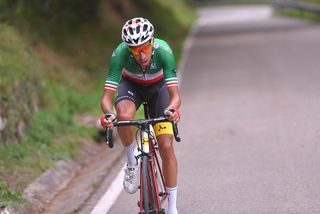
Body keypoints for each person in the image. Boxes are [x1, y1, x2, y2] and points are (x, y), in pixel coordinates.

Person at [100, 17, 181, 214]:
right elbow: (106, 98)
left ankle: (172, 207)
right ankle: (131, 164)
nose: (141, 55)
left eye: (144, 48)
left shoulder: (164, 51)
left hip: (159, 89)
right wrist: (109, 115)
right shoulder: (119, 54)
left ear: (152, 41)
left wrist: (172, 110)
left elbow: (175, 96)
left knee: (166, 146)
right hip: (132, 87)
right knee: (124, 115)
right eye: (134, 51)